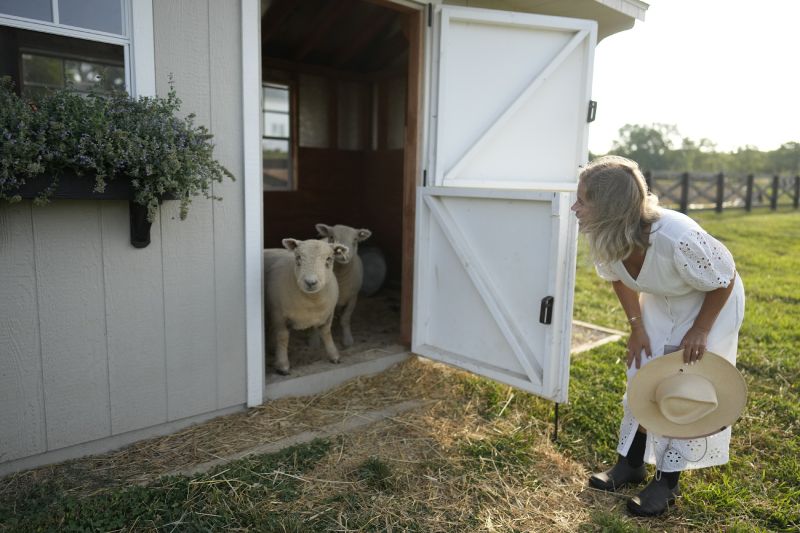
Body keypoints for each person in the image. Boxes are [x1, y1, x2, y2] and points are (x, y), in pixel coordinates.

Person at [570, 155, 745, 516]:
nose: (575, 207)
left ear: (609, 207)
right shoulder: (609, 234)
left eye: (582, 200)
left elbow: (723, 278)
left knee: (685, 383)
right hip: (666, 296)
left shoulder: (677, 238)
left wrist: (700, 330)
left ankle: (666, 484)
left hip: (710, 301)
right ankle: (630, 463)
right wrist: (636, 328)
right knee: (644, 372)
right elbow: (618, 277)